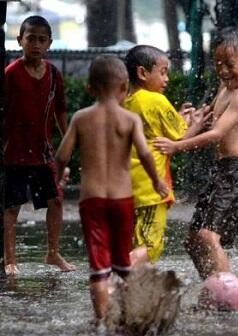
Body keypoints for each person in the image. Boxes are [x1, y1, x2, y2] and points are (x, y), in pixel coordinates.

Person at [54, 55, 169, 321]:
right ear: (124, 87)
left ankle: (103, 320)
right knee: (122, 263)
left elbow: (61, 156)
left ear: (90, 89)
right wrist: (156, 181)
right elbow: (145, 153)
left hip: (92, 200)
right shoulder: (130, 120)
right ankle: (128, 315)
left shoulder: (81, 118)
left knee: (99, 267)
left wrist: (59, 178)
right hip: (122, 199)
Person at [152, 27, 238, 278]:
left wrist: (176, 147)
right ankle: (214, 287)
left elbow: (216, 134)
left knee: (208, 236)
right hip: (222, 171)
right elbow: (208, 120)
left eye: (230, 64)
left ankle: (227, 294)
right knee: (192, 240)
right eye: (218, 63)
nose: (223, 70)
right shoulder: (225, 87)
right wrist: (190, 119)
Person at [3, 15, 75, 276]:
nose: (35, 44)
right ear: (19, 40)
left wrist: (67, 140)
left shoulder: (54, 75)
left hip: (43, 152)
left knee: (55, 200)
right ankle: (10, 259)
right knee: (12, 207)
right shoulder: (10, 74)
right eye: (30, 38)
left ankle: (52, 253)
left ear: (49, 43)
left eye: (41, 40)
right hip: (14, 153)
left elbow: (61, 111)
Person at [124, 45, 207, 265]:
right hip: (152, 189)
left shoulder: (128, 101)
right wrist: (197, 123)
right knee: (150, 246)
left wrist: (179, 117)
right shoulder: (156, 100)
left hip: (129, 186)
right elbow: (180, 137)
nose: (167, 79)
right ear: (142, 73)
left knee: (135, 242)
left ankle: (128, 292)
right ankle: (113, 282)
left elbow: (160, 131)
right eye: (162, 72)